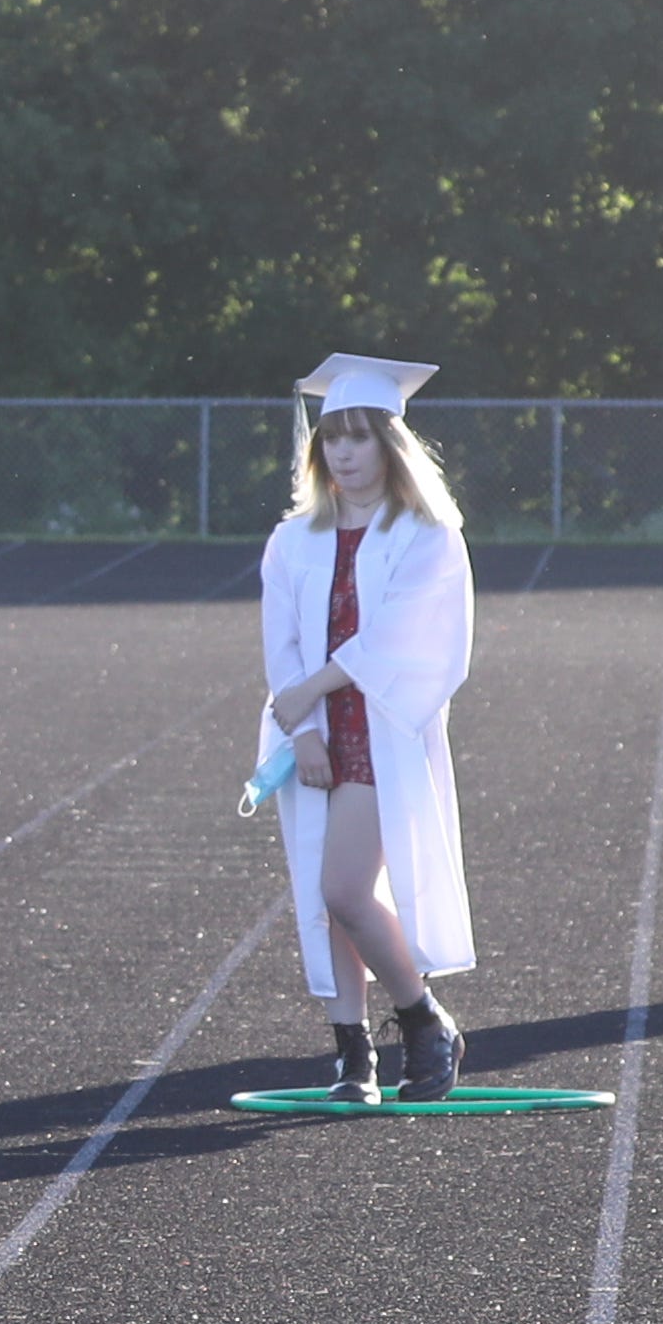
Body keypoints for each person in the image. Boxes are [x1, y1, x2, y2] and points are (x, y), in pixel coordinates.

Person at [256, 354, 478, 1099]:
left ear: (391, 444)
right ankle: (353, 1054)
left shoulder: (427, 535)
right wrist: (303, 732)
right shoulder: (293, 538)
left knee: (346, 889)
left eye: (359, 437)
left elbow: (401, 640)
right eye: (331, 439)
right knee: (319, 895)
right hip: (315, 733)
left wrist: (311, 694)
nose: (343, 453)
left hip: (384, 728)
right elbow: (280, 642)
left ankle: (423, 1021)